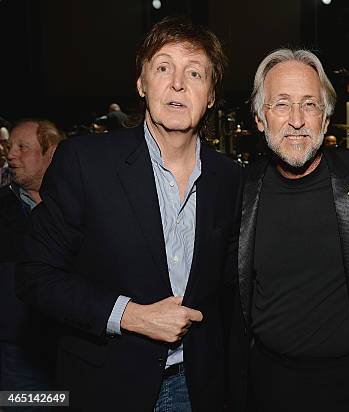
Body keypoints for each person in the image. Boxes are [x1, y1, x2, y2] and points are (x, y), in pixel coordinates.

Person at [17, 17, 241, 411]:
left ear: (211, 96)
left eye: (194, 72)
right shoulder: (85, 162)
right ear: (141, 83)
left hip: (201, 388)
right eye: (163, 67)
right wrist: (130, 316)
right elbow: (35, 274)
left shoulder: (228, 178)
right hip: (107, 387)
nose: (177, 83)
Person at [230, 49, 349, 412]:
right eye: (281, 105)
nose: (296, 120)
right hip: (266, 388)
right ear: (260, 118)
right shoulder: (238, 192)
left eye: (309, 104)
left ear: (325, 119)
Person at [0, 119, 64, 411]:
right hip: (20, 356)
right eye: (9, 147)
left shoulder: (79, 205)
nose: (11, 154)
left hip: (77, 352)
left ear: (50, 151)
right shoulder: (3, 209)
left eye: (22, 147)